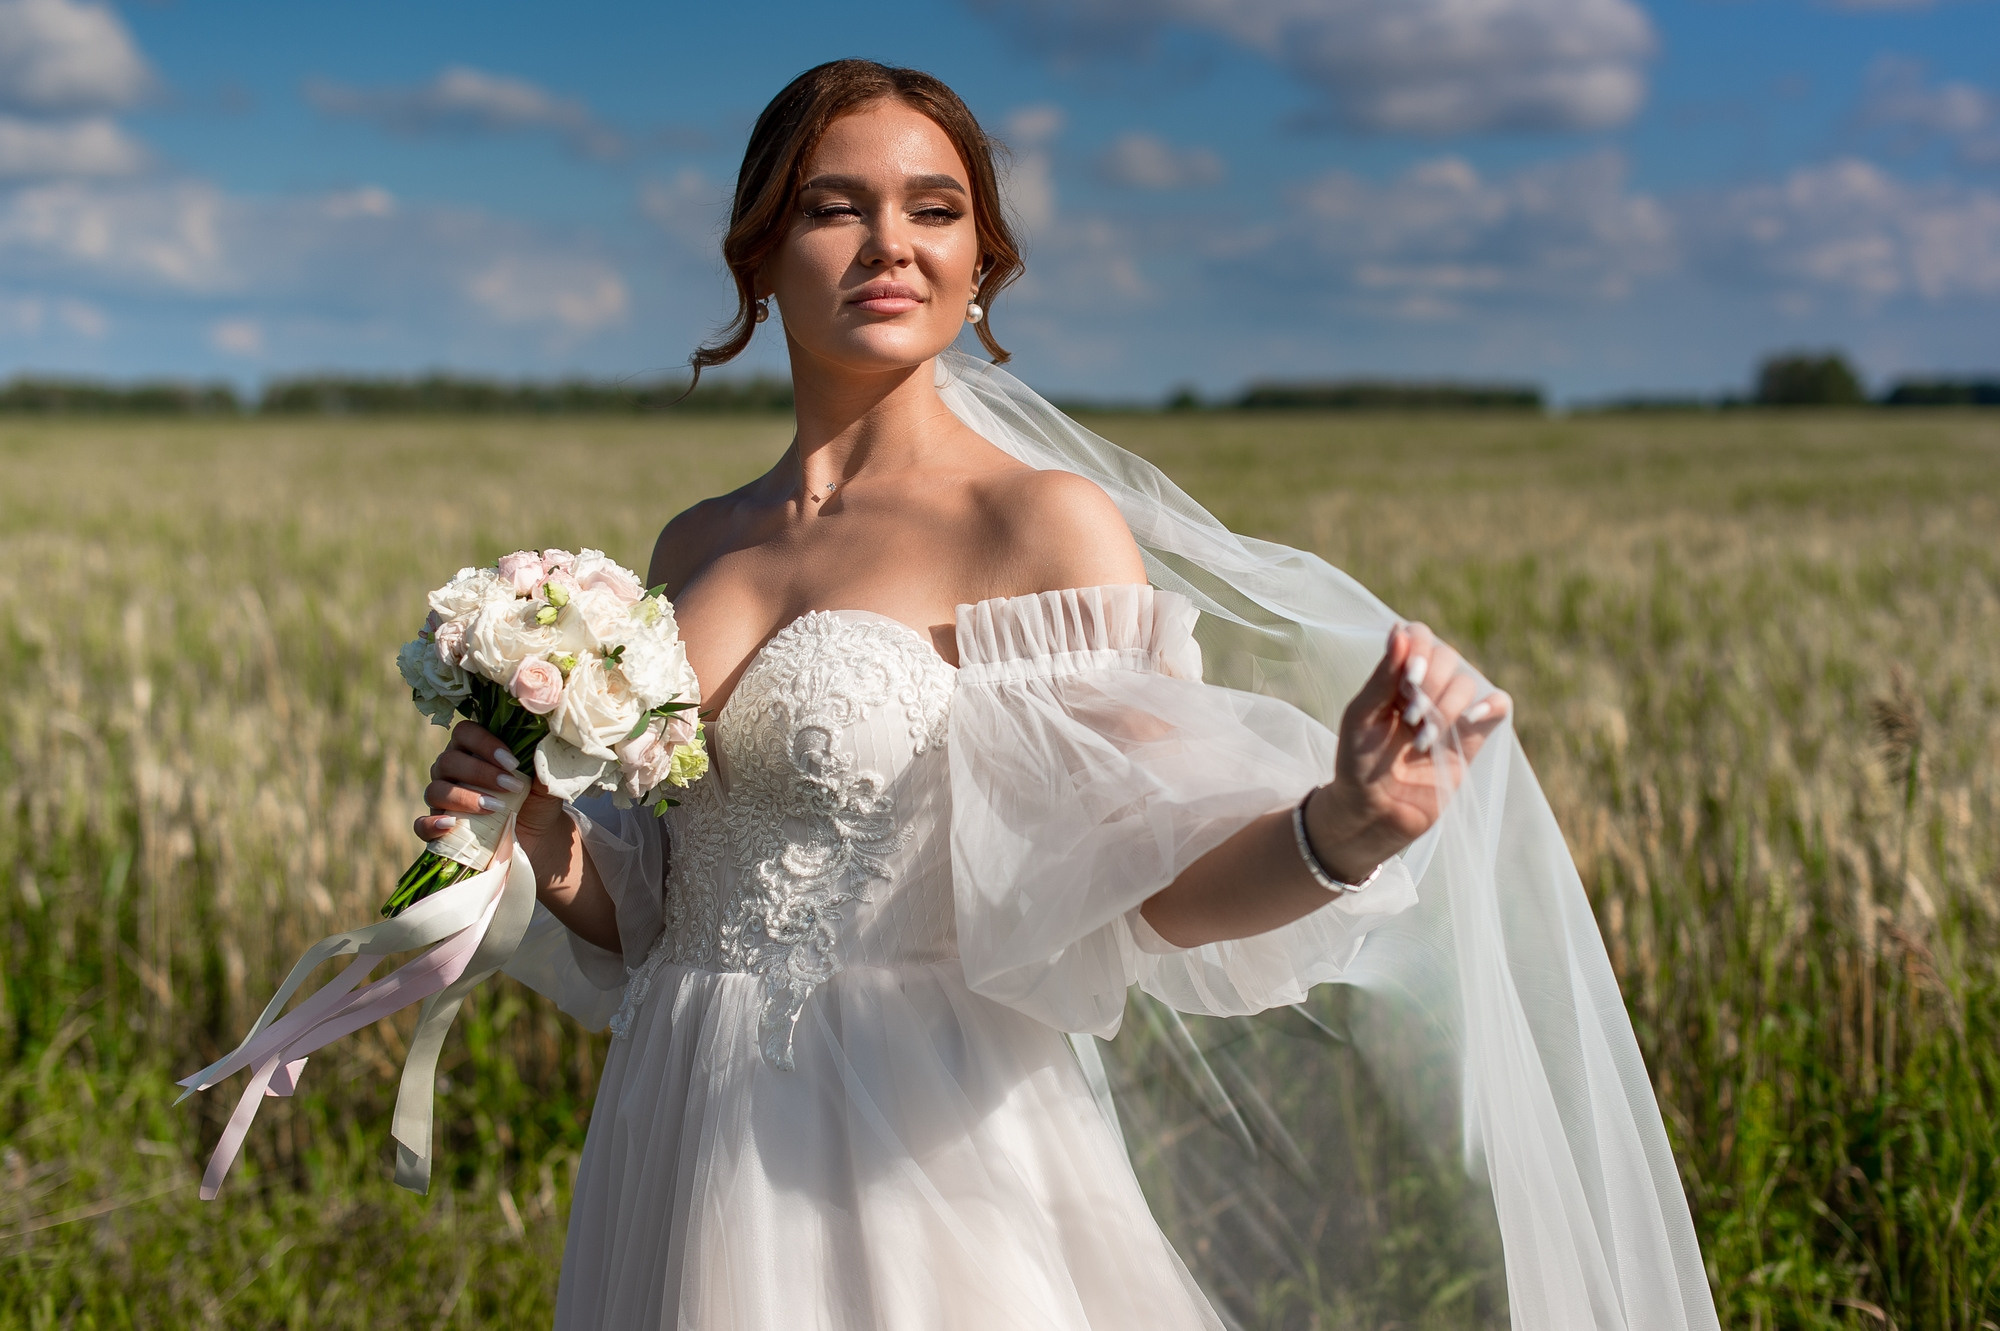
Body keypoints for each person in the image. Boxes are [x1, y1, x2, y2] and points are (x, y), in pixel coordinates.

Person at [418, 60, 1717, 1331]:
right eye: (834, 207)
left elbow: (1154, 881)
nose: (890, 243)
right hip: (683, 1122)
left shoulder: (1040, 526)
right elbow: (662, 911)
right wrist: (537, 831)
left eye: (934, 209)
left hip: (918, 1139)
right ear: (758, 255)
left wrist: (1344, 829)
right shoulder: (695, 544)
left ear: (980, 263)